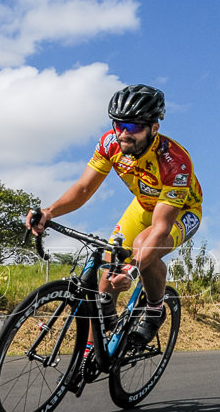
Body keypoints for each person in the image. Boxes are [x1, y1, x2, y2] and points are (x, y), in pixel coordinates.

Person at [26, 84, 202, 343]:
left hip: (181, 211)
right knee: (111, 261)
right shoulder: (110, 143)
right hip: (144, 205)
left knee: (144, 248)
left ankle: (154, 310)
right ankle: (96, 342)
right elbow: (84, 189)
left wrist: (131, 271)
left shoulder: (175, 162)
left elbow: (161, 227)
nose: (122, 134)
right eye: (118, 125)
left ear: (154, 129)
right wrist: (49, 212)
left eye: (132, 128)